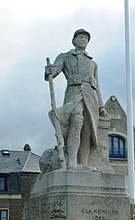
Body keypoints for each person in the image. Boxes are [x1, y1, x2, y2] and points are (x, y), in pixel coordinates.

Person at [45, 29, 108, 170]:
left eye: (86, 38)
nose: (84, 39)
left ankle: (83, 163)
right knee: (76, 122)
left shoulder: (93, 63)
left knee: (88, 128)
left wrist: (101, 106)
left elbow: (97, 85)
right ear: (74, 40)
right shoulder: (65, 56)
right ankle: (72, 162)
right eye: (81, 37)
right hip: (74, 94)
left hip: (91, 98)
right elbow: (54, 71)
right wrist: (50, 71)